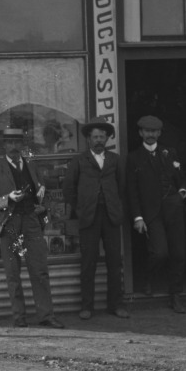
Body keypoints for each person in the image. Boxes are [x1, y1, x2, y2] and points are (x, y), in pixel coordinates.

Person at [0, 128, 64, 329]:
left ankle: (46, 316)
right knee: (13, 273)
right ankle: (19, 318)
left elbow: (43, 193)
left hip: (32, 223)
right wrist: (8, 198)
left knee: (40, 271)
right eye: (10, 142)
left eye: (18, 142)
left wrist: (42, 202)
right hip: (10, 225)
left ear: (23, 145)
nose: (14, 146)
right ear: (3, 145)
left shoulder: (32, 167)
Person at [63, 118, 129, 320]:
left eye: (102, 137)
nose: (99, 140)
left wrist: (116, 207)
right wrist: (81, 208)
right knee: (88, 262)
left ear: (107, 139)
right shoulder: (79, 161)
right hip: (89, 217)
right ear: (88, 140)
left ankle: (115, 305)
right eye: (95, 137)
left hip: (110, 216)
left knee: (114, 262)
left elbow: (122, 187)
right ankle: (87, 306)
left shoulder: (115, 160)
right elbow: (68, 189)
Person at [127, 114, 186, 314]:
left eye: (154, 131)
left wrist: (181, 193)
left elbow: (182, 179)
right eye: (147, 131)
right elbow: (132, 190)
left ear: (159, 133)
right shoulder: (134, 157)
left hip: (174, 209)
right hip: (151, 212)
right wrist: (138, 217)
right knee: (160, 252)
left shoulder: (170, 153)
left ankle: (175, 295)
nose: (151, 135)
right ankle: (148, 277)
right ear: (140, 133)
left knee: (178, 253)